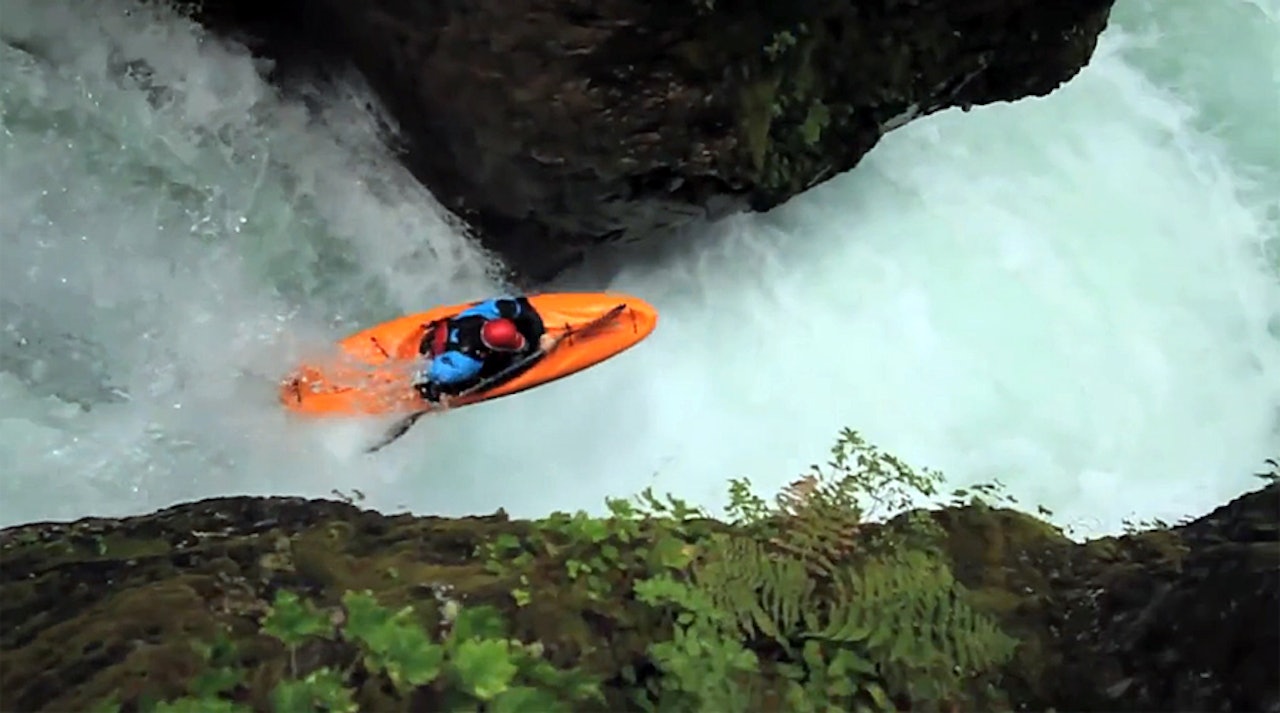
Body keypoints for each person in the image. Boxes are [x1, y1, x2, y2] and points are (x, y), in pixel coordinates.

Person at [412, 295, 559, 407]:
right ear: (491, 349)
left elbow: (521, 307)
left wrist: (540, 334)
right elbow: (506, 374)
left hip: (453, 334)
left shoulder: (484, 314)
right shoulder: (467, 364)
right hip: (439, 357)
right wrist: (540, 354)